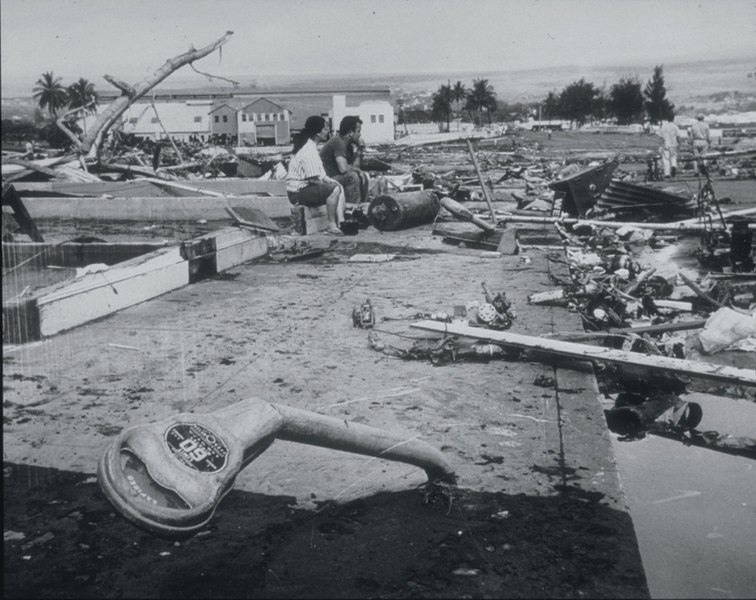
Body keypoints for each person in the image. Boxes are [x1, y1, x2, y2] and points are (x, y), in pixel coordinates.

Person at [286, 115, 345, 235]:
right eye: (325, 128)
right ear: (318, 133)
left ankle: (342, 222)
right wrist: (331, 186)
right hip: (297, 194)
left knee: (337, 186)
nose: (327, 130)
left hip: (303, 189)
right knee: (333, 189)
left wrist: (333, 182)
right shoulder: (309, 151)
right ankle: (331, 225)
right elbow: (313, 180)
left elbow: (321, 176)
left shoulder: (312, 148)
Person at [319, 115, 370, 204]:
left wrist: (359, 150)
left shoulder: (348, 145)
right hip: (326, 180)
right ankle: (352, 208)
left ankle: (363, 205)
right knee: (353, 177)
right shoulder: (338, 142)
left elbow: (354, 167)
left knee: (363, 175)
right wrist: (357, 170)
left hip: (335, 177)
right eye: (358, 131)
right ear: (350, 132)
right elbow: (343, 169)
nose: (360, 134)